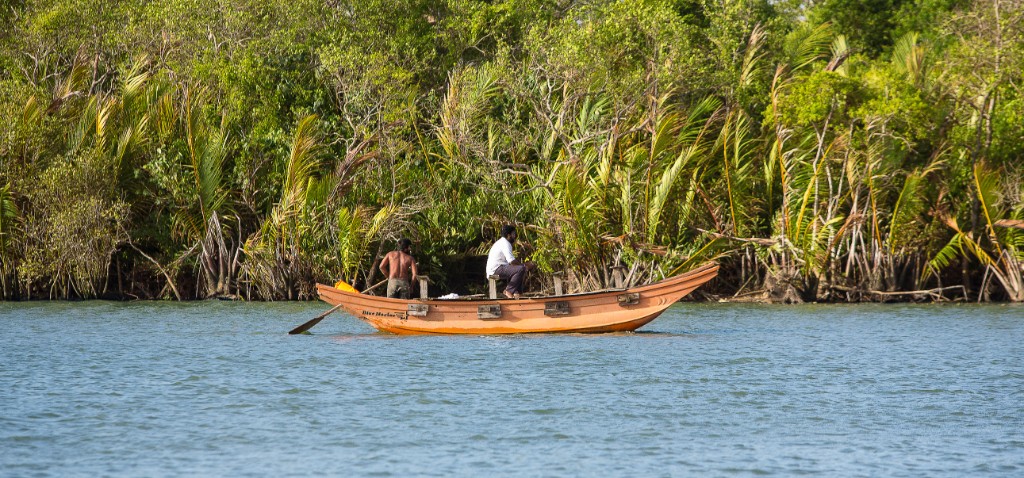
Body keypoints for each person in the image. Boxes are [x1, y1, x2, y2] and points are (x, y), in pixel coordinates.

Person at [486, 225, 536, 299]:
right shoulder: (505, 243)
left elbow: (511, 263)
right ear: (508, 235)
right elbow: (511, 261)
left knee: (520, 269)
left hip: (497, 269)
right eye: (514, 234)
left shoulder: (502, 242)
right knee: (521, 269)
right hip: (495, 270)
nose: (515, 236)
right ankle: (508, 291)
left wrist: (523, 265)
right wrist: (524, 265)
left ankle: (517, 293)